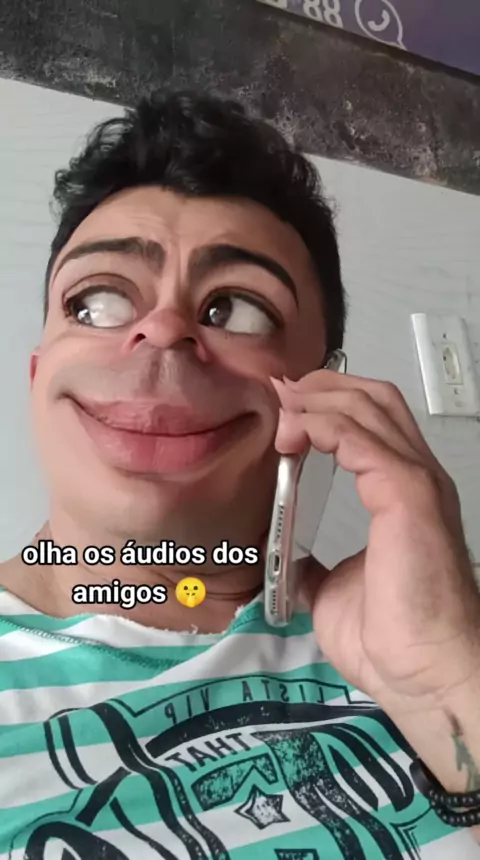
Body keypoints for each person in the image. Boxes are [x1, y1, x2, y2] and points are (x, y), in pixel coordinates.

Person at [0, 91, 479, 860]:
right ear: (38, 376)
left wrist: (446, 677)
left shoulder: (440, 634)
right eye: (97, 301)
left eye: (237, 310)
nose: (163, 330)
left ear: (323, 392)